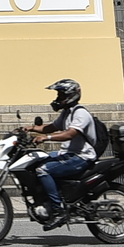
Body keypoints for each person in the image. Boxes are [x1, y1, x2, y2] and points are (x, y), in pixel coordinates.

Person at [28, 79, 99, 227]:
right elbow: (50, 127)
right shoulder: (67, 113)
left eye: (60, 95)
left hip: (81, 156)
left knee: (43, 170)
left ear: (70, 95)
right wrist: (29, 128)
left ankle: (58, 210)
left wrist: (45, 138)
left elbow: (70, 134)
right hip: (69, 153)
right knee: (39, 160)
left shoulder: (80, 113)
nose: (57, 98)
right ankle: (51, 197)